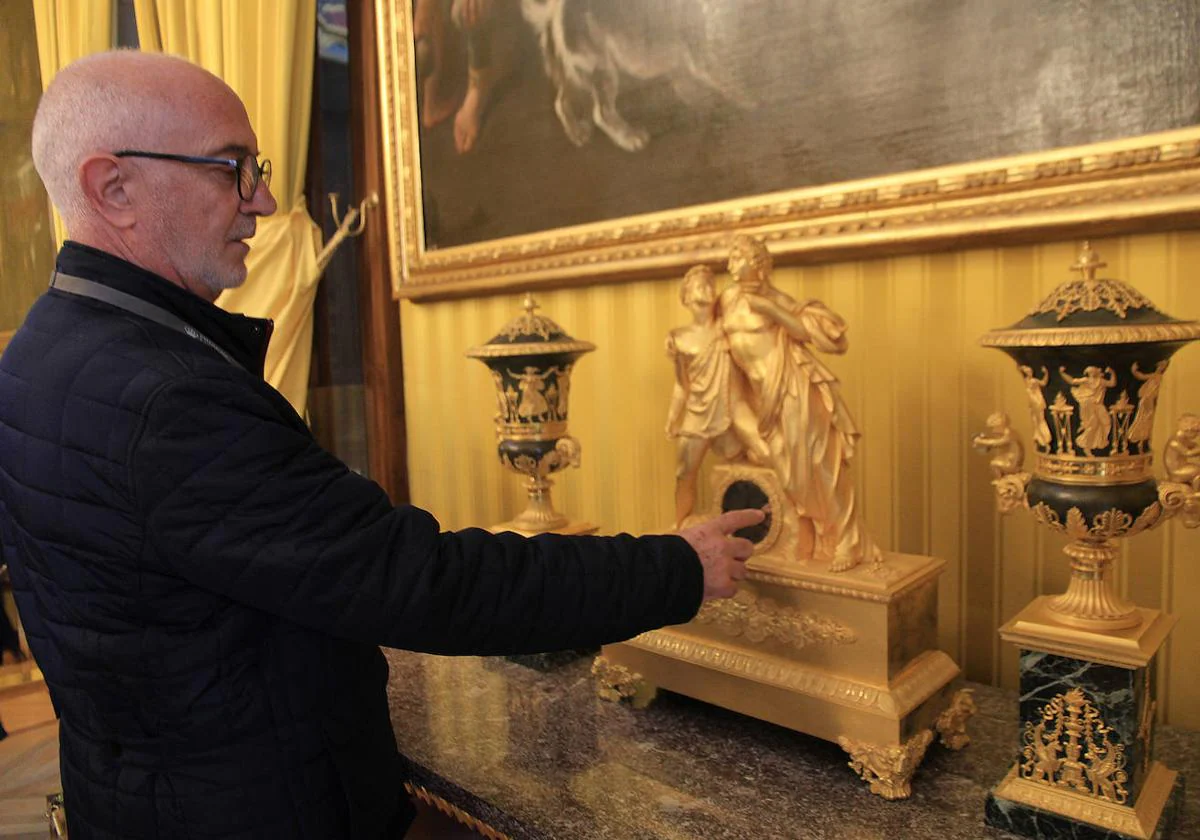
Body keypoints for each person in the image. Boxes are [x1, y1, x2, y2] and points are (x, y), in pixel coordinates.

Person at [0, 51, 761, 840]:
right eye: (232, 167)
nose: (260, 200)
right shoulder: (169, 402)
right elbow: (421, 582)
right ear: (113, 189)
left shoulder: (39, 347)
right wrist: (674, 568)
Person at [718, 234, 878, 572]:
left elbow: (824, 339)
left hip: (795, 388)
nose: (731, 264)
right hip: (765, 400)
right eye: (730, 257)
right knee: (791, 476)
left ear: (759, 264)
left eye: (738, 256)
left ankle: (848, 541)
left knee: (819, 466)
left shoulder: (775, 298)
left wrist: (771, 309)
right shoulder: (728, 300)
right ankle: (818, 537)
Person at [665, 265, 770, 529]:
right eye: (699, 285)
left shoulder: (728, 328)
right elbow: (682, 384)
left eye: (710, 284)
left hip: (733, 408)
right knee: (684, 472)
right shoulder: (679, 338)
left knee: (765, 457)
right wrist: (672, 417)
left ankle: (771, 523)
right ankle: (681, 525)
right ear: (686, 297)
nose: (707, 288)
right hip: (697, 412)